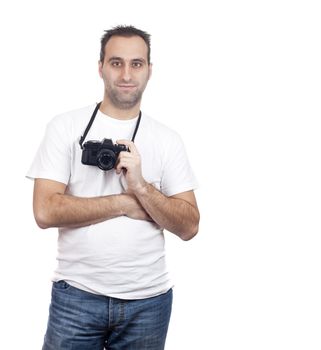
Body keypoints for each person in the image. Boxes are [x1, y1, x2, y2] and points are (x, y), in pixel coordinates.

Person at [27, 25, 200, 350]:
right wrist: (123, 203)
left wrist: (141, 187)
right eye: (116, 62)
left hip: (149, 301)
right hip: (77, 295)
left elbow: (190, 226)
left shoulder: (166, 140)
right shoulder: (65, 127)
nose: (126, 73)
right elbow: (44, 211)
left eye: (136, 64)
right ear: (100, 67)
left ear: (149, 70)